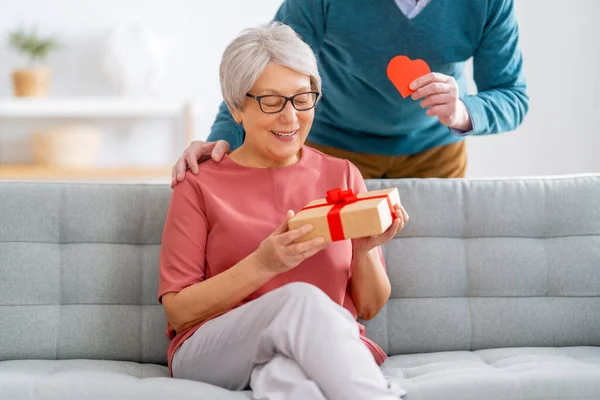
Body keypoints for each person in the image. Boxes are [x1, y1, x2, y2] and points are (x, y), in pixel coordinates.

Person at [158, 22, 410, 400]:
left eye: (302, 98)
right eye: (272, 102)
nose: (291, 117)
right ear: (236, 108)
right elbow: (179, 312)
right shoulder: (198, 183)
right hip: (211, 349)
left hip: (318, 350)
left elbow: (369, 307)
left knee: (284, 377)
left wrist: (363, 249)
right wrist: (264, 264)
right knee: (299, 299)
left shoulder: (341, 174)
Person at [170, 0, 529, 186]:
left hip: (435, 155)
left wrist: (463, 111)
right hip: (333, 149)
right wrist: (220, 141)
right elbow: (263, 69)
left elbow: (512, 94)